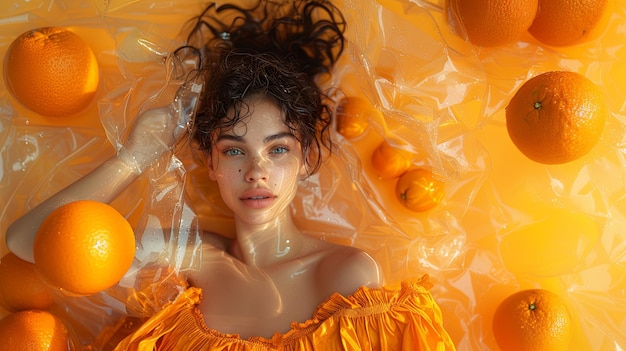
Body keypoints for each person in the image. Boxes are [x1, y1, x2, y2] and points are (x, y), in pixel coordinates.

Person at [6, 0, 455, 349]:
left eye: (277, 149)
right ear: (211, 162)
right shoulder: (189, 257)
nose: (257, 171)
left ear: (305, 158)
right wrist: (134, 157)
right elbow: (28, 243)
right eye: (235, 150)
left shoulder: (346, 277)